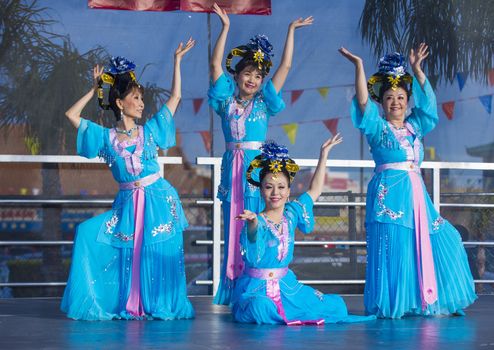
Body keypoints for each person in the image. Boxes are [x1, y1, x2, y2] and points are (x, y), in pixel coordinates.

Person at [61, 39, 196, 320]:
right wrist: (95, 88)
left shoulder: (150, 131)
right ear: (120, 103)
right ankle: (121, 302)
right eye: (135, 98)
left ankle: (158, 304)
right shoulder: (106, 138)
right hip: (127, 204)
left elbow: (175, 99)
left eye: (142, 98)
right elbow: (71, 115)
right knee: (87, 233)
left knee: (155, 256)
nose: (141, 103)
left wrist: (177, 62)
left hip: (158, 199)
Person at [339, 44, 477, 318]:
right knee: (397, 249)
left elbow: (430, 109)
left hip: (417, 195)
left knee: (446, 237)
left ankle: (432, 297)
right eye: (389, 97)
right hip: (390, 193)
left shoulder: (415, 125)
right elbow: (364, 105)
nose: (396, 102)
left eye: (401, 97)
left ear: (407, 99)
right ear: (382, 101)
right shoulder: (377, 127)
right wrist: (359, 67)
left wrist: (417, 70)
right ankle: (397, 303)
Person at [208, 2, 313, 305]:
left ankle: (261, 289)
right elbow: (215, 66)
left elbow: (286, 68)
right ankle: (236, 289)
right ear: (237, 75)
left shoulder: (265, 103)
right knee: (235, 229)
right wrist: (226, 28)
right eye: (247, 73)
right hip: (232, 171)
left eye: (258, 75)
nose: (253, 79)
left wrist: (291, 31)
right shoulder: (226, 101)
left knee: (260, 228)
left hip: (257, 174)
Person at [232, 137, 375, 325]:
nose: (275, 192)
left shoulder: (292, 213)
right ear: (261, 191)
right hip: (256, 289)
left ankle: (291, 311)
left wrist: (323, 155)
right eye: (268, 187)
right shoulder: (257, 220)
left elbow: (314, 190)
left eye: (281, 187)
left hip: (287, 288)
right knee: (261, 308)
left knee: (337, 306)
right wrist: (252, 222)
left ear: (289, 191)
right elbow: (253, 235)